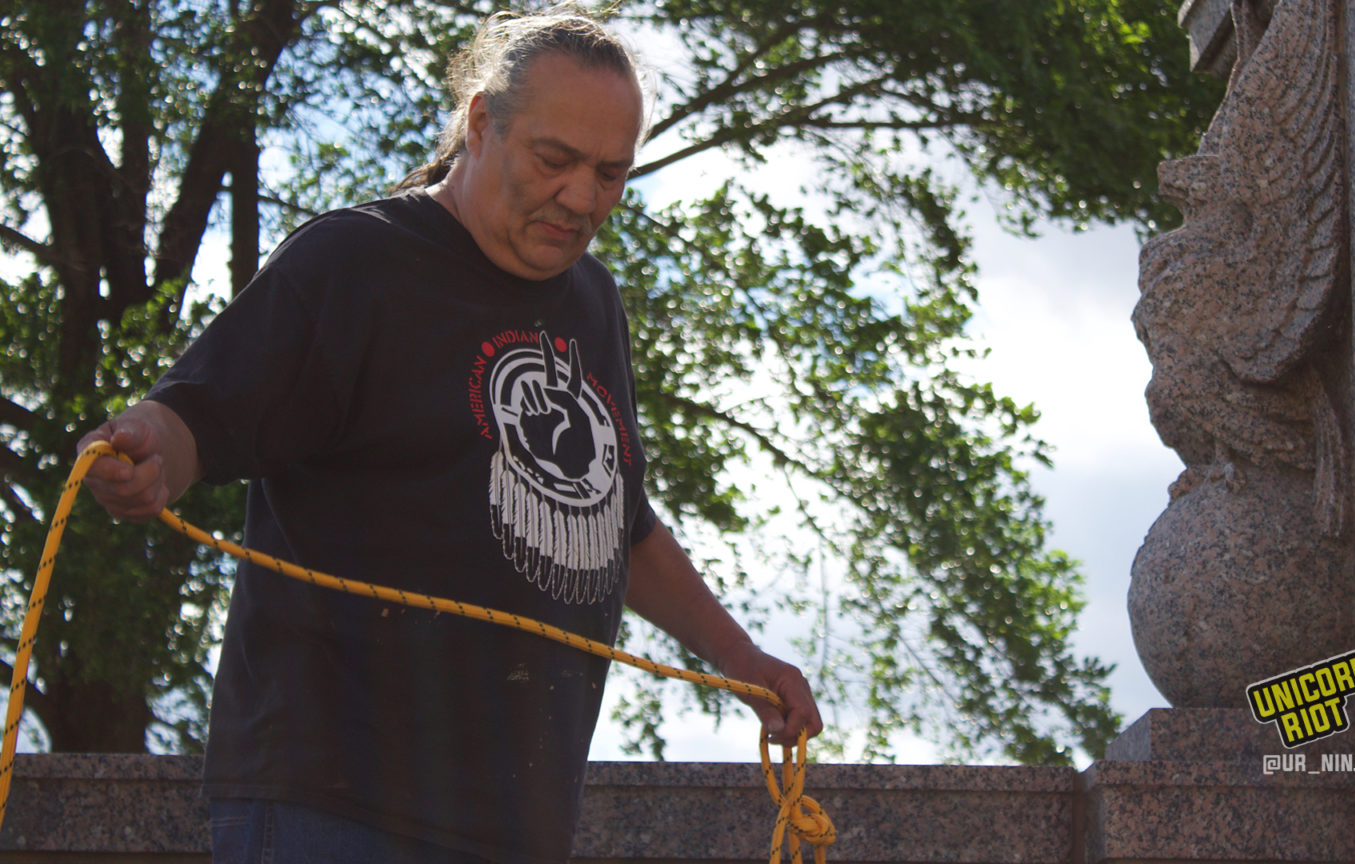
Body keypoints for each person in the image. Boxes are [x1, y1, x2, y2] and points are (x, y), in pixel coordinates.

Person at [78, 9, 820, 863]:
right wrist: (147, 451)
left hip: (517, 824)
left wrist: (741, 659)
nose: (582, 197)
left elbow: (621, 526)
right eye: (555, 160)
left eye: (612, 173)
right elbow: (198, 415)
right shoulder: (354, 262)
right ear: (480, 124)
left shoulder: (594, 306)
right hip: (333, 805)